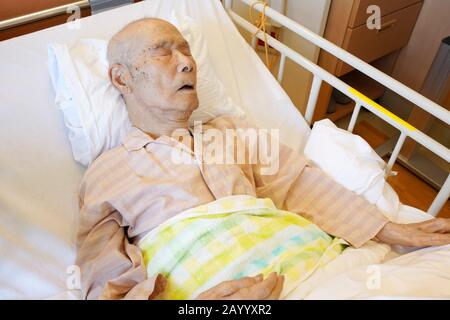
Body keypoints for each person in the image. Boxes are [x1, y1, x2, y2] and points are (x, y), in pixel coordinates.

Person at [75, 18, 450, 300]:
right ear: (121, 79)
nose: (186, 62)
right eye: (163, 51)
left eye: (186, 49)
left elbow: (300, 183)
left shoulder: (234, 132)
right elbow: (102, 276)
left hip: (322, 271)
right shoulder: (106, 172)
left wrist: (385, 227)